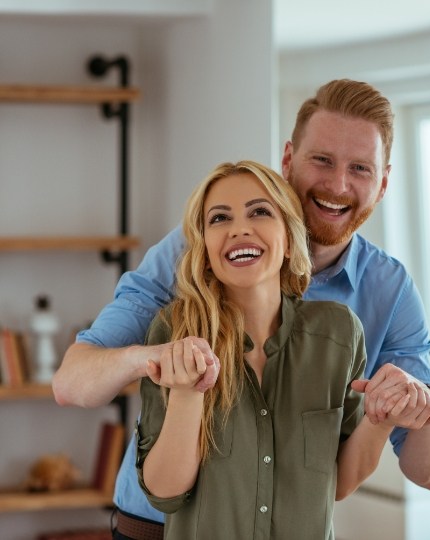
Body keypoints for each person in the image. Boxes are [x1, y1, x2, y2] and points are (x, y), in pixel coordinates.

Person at [53, 79, 430, 540]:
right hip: (154, 529)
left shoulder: (383, 297)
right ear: (288, 160)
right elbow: (71, 384)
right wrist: (157, 359)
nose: (338, 184)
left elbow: (429, 471)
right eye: (322, 159)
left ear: (382, 184)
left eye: (360, 168)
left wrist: (420, 403)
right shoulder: (193, 254)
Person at [136, 160, 411, 538]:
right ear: (206, 247)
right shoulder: (175, 331)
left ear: (288, 237)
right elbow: (165, 493)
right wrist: (187, 393)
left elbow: (339, 484)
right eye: (219, 219)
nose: (240, 229)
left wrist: (382, 419)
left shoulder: (339, 334)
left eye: (260, 212)